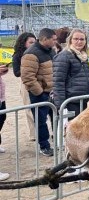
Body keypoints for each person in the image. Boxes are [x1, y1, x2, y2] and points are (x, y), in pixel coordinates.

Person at [21, 28, 57, 157]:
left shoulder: (51, 51)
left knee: (55, 117)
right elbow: (27, 77)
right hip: (40, 94)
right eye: (53, 39)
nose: (55, 41)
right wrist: (40, 93)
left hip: (52, 92)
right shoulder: (31, 54)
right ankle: (44, 146)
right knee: (41, 121)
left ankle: (57, 142)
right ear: (45, 39)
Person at [52, 28, 89, 119]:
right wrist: (61, 106)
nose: (79, 42)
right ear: (70, 40)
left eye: (82, 39)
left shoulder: (83, 57)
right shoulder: (64, 56)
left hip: (84, 100)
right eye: (76, 39)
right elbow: (58, 82)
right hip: (70, 102)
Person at [13, 32, 38, 141]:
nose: (33, 44)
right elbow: (16, 72)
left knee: (42, 108)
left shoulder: (38, 53)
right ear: (24, 43)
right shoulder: (18, 55)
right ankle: (34, 134)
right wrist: (29, 70)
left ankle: (44, 131)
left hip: (39, 82)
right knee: (29, 109)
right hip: (26, 83)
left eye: (34, 42)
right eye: (30, 42)